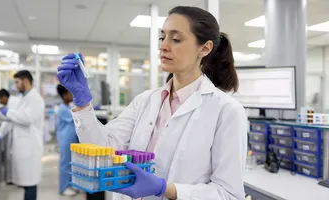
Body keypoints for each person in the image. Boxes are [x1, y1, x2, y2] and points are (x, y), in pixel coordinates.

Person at [57, 5, 247, 200]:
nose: (164, 46)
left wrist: (164, 188)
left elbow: (229, 194)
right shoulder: (146, 101)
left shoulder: (226, 111)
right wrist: (83, 103)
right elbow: (103, 148)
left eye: (176, 39)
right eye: (162, 37)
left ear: (205, 48)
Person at [0, 70, 45, 200]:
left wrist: (8, 112)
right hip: (23, 147)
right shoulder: (24, 98)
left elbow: (27, 119)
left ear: (25, 81)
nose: (15, 85)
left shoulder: (35, 99)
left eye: (17, 82)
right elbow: (14, 117)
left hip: (30, 148)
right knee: (27, 183)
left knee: (30, 184)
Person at [55, 85, 78, 196]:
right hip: (65, 140)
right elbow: (76, 117)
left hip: (71, 139)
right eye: (70, 93)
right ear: (64, 95)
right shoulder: (63, 109)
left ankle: (69, 184)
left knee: (71, 163)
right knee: (65, 164)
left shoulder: (68, 107)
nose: (72, 95)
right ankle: (63, 188)